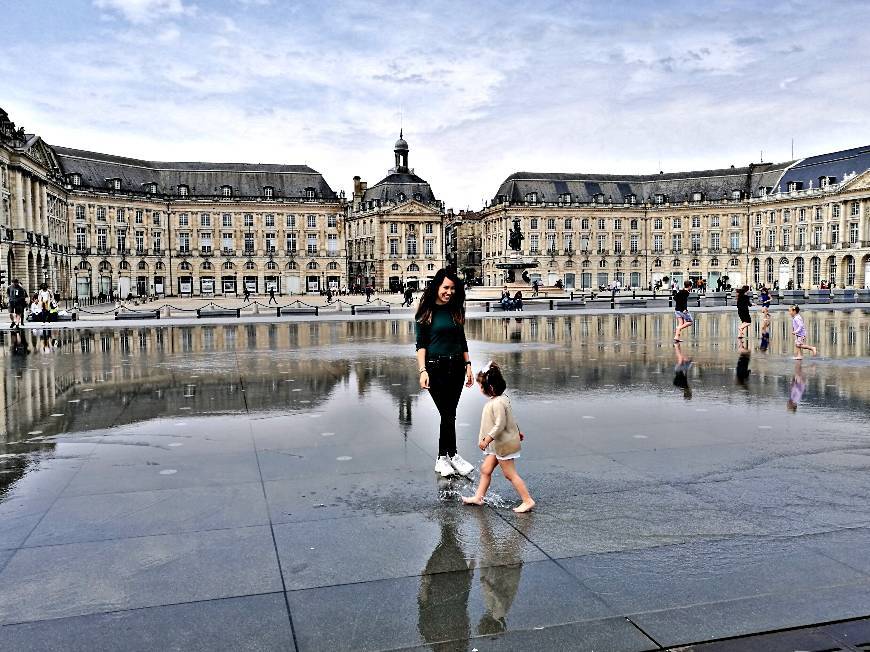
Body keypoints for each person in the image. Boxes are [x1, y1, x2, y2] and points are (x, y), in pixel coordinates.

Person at [416, 268, 475, 478]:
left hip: (457, 367)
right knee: (447, 413)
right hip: (435, 368)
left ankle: (450, 456)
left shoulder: (455, 309)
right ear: (437, 287)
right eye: (445, 288)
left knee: (450, 413)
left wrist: (468, 365)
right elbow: (421, 345)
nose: (449, 292)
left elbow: (462, 339)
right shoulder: (426, 311)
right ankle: (446, 457)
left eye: (452, 288)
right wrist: (423, 370)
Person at [462, 362, 535, 513]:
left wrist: (486, 440)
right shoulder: (502, 399)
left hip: (503, 445)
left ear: (491, 388)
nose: (480, 389)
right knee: (486, 469)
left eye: (481, 386)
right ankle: (479, 497)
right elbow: (511, 419)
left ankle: (527, 500)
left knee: (510, 474)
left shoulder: (497, 404)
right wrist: (517, 431)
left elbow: (500, 424)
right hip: (498, 445)